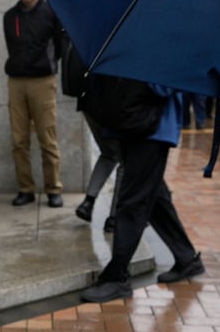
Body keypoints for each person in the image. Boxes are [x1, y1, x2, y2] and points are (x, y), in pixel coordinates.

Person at [77, 81, 203, 304]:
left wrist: (136, 79)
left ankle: (117, 277)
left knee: (132, 201)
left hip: (152, 128)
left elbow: (166, 84)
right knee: (153, 197)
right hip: (133, 123)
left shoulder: (168, 47)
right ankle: (186, 257)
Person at [3, 0, 66, 207]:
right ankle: (26, 189)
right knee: (19, 140)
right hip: (16, 83)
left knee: (47, 137)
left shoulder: (51, 13)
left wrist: (45, 65)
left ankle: (53, 189)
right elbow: (11, 47)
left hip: (42, 82)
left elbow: (59, 47)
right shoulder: (10, 17)